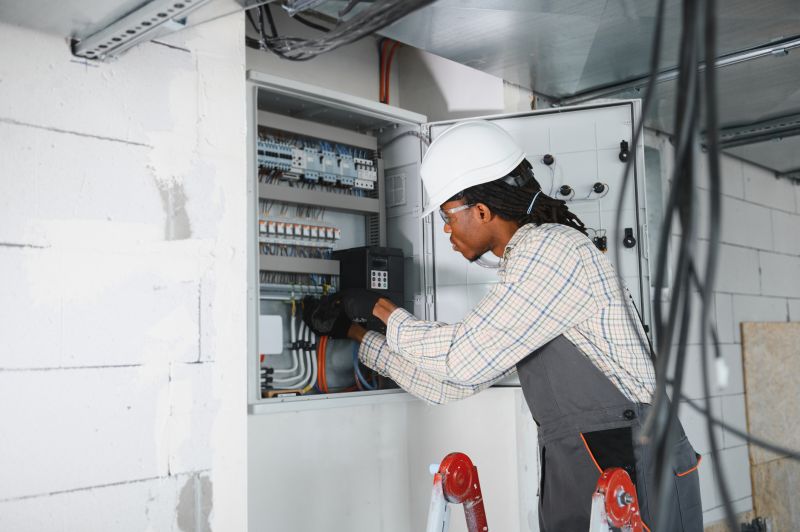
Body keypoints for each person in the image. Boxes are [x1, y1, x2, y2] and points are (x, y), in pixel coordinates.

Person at [307, 120, 702, 531]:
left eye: (447, 216)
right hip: (589, 460)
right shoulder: (529, 266)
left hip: (629, 460)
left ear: (481, 210)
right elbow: (450, 384)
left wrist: (380, 309)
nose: (446, 230)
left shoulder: (551, 251)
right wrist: (355, 335)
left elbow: (461, 360)